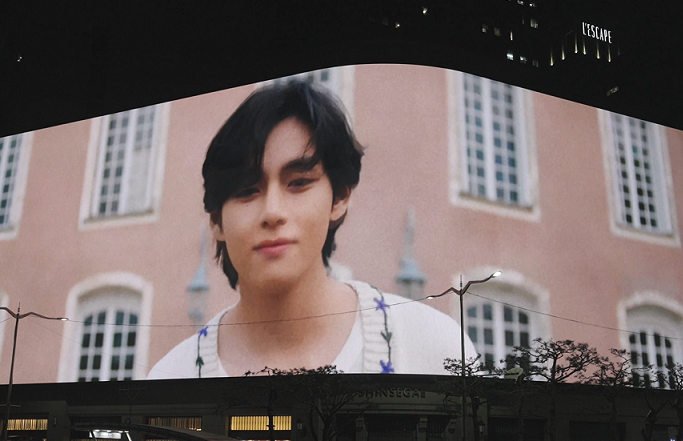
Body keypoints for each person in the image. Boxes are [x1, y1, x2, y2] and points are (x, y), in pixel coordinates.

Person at [148, 80, 475, 379]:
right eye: (246, 190)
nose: (272, 212)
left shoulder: (436, 348)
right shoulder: (170, 377)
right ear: (216, 221)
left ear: (340, 197)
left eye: (299, 182)